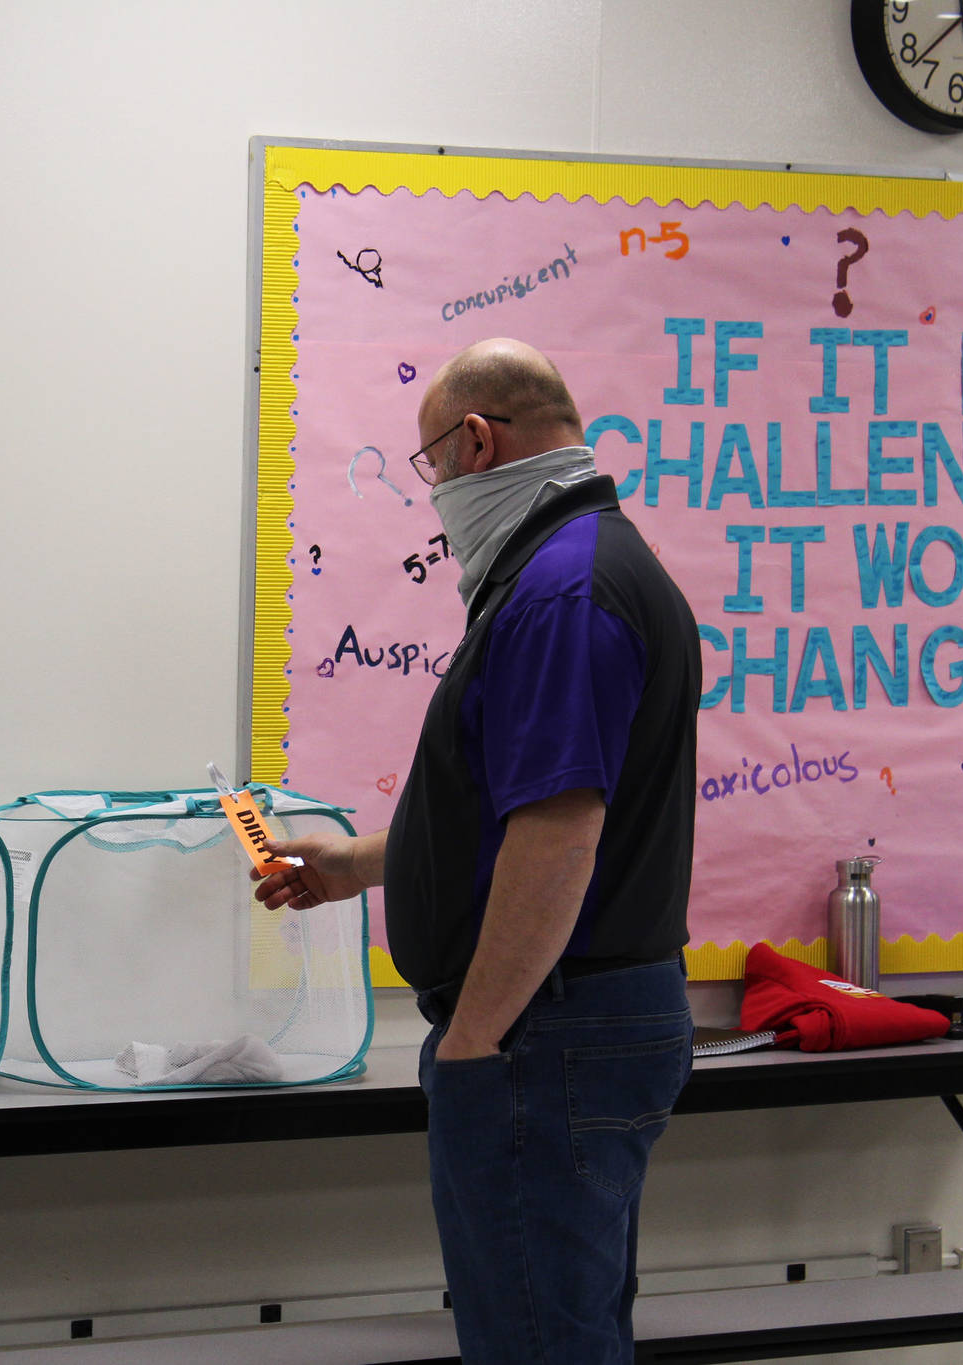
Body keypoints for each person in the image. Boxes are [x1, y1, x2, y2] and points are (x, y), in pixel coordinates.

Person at [253, 338, 700, 1363]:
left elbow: (557, 834)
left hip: (545, 1034)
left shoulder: (558, 593)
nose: (437, 500)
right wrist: (355, 868)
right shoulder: (587, 568)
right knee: (560, 1327)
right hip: (575, 1025)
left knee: (537, 1342)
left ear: (474, 441)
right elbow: (507, 816)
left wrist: (472, 1043)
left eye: (430, 470)